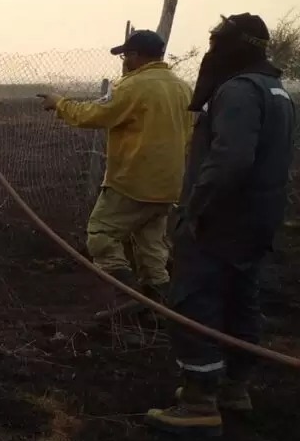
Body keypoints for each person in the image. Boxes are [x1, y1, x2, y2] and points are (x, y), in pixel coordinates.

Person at [145, 13, 296, 435]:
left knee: (195, 299)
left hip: (221, 220)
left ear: (231, 47)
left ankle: (199, 401)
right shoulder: (276, 91)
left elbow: (230, 160)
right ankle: (234, 387)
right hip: (257, 220)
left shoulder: (237, 91)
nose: (209, 52)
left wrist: (196, 207)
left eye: (214, 43)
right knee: (239, 299)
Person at [40, 29, 193, 310]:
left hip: (133, 180)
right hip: (169, 184)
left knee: (101, 234)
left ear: (136, 55)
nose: (124, 61)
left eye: (126, 55)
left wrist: (60, 104)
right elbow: (191, 131)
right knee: (151, 247)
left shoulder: (133, 86)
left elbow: (95, 115)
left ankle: (127, 295)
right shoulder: (183, 88)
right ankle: (161, 307)